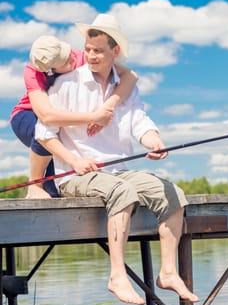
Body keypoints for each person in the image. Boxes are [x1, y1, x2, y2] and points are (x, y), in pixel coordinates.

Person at [35, 14, 199, 305]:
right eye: (87, 48)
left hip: (118, 171)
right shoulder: (65, 84)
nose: (91, 55)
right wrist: (72, 160)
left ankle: (169, 273)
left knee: (173, 193)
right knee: (124, 191)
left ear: (115, 51)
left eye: (98, 49)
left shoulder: (125, 87)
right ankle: (117, 276)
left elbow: (139, 122)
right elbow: (45, 135)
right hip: (75, 176)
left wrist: (155, 142)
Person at [10, 35, 138, 199]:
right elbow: (46, 115)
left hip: (63, 117)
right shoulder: (33, 72)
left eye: (68, 53)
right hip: (28, 114)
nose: (72, 59)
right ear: (50, 70)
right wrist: (93, 116)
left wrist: (106, 108)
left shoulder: (83, 57)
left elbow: (130, 76)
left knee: (55, 182)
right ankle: (34, 185)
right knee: (42, 133)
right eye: (65, 63)